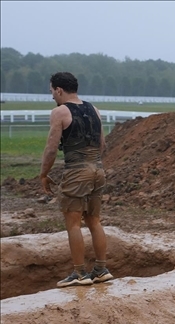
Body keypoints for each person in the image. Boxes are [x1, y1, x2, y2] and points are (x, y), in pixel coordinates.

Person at [38, 72, 113, 288]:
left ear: (59, 90)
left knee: (73, 223)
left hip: (76, 171)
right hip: (98, 170)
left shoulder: (60, 112)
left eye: (52, 91)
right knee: (94, 221)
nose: (52, 95)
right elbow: (102, 144)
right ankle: (101, 269)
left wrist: (44, 174)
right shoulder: (94, 110)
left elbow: (52, 148)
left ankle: (80, 273)